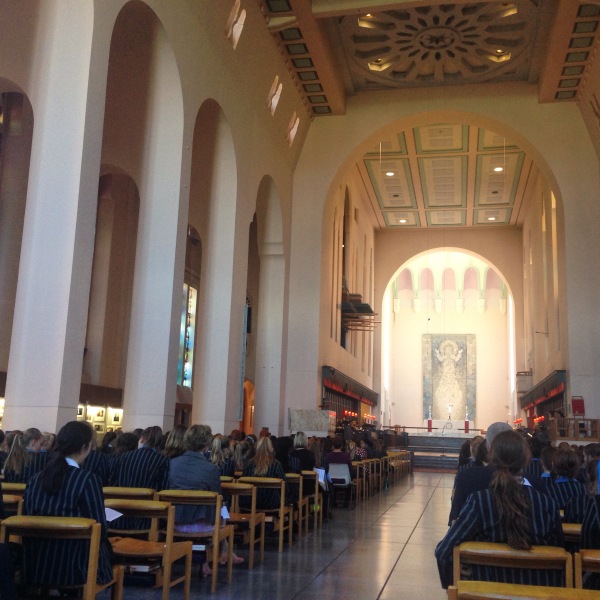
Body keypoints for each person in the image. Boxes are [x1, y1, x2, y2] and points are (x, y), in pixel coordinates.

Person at [435, 430, 563, 589]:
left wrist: (456, 587)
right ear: (526, 459)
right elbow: (560, 554)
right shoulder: (546, 503)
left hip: (485, 591)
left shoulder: (479, 502)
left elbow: (443, 551)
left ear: (491, 456)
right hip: (535, 590)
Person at [22, 421, 113, 588]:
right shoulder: (88, 479)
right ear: (84, 447)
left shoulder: (36, 479)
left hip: (36, 563)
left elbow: (26, 521)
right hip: (75, 566)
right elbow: (99, 528)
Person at [169, 424, 243, 576]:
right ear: (206, 444)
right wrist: (226, 518)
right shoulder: (210, 469)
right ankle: (222, 553)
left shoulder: (172, 464)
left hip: (172, 522)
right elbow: (218, 500)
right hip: (201, 523)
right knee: (221, 516)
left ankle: (209, 560)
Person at [242, 436, 288, 509]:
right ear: (271, 448)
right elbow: (284, 486)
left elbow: (243, 482)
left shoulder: (249, 464)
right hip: (271, 502)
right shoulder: (276, 464)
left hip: (250, 501)